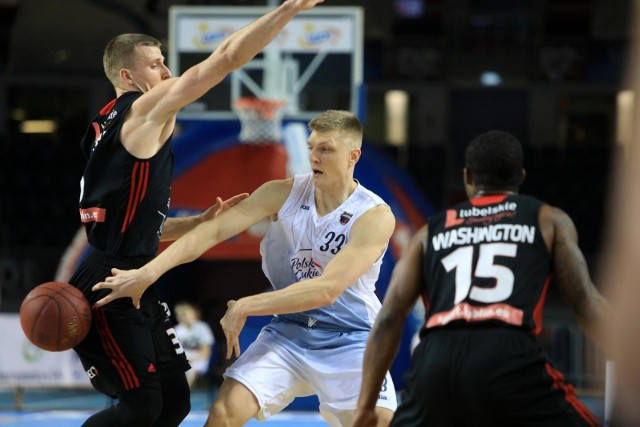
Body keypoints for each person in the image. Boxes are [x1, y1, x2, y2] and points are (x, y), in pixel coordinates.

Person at [70, 1, 324, 426]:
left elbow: (123, 224)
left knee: (175, 403)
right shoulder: (143, 110)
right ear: (127, 77)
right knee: (142, 406)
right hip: (110, 281)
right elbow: (225, 59)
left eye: (166, 62)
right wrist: (288, 10)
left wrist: (196, 223)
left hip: (130, 270)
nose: (167, 73)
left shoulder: (101, 128)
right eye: (156, 65)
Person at [93, 110, 398, 427]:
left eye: (325, 149)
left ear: (353, 156)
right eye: (311, 147)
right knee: (224, 412)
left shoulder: (373, 215)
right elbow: (211, 232)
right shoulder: (282, 193)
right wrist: (149, 272)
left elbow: (327, 289)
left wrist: (247, 305)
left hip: (351, 338)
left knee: (376, 420)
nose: (314, 157)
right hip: (289, 332)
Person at [353, 130, 612, 427]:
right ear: (521, 177)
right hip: (506, 352)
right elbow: (585, 302)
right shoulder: (546, 219)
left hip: (436, 359)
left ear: (468, 178)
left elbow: (388, 319)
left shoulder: (431, 231)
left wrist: (365, 407)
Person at [174, 301, 215, 388]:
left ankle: (183, 395)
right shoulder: (177, 330)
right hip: (182, 360)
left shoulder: (203, 327)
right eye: (180, 315)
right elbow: (174, 352)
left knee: (191, 369)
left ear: (193, 313)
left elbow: (206, 353)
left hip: (199, 360)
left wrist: (191, 360)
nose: (183, 317)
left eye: (185, 314)